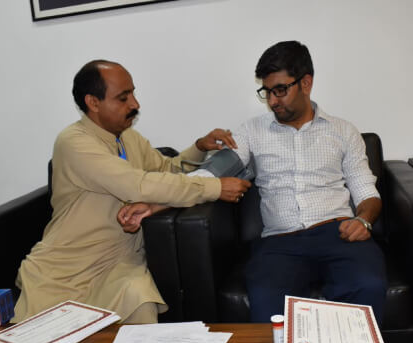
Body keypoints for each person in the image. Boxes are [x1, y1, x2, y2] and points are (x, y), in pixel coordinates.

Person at [120, 41, 387, 324]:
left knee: (367, 285)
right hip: (280, 243)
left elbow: (366, 192)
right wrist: (154, 205)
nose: (272, 101)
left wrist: (364, 221)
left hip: (339, 234)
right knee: (268, 304)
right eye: (267, 92)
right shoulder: (251, 132)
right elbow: (209, 175)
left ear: (306, 83)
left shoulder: (343, 131)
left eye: (280, 90)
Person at [12, 60, 251, 324]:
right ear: (93, 102)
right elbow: (138, 186)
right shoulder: (73, 142)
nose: (135, 104)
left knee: (141, 299)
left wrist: (199, 147)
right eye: (123, 98)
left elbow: (167, 170)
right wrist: (214, 187)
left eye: (133, 94)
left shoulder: (128, 137)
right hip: (67, 270)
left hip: (120, 265)